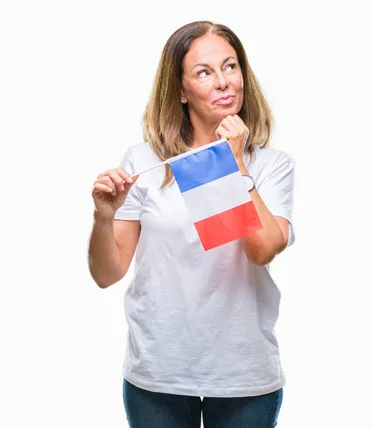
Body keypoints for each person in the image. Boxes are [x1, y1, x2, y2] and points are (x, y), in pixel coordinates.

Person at [87, 20, 295, 428]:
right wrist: (103, 216)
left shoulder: (272, 166)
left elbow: (261, 250)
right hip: (159, 370)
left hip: (243, 373)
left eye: (230, 66)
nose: (223, 82)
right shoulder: (143, 162)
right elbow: (106, 274)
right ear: (181, 90)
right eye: (204, 72)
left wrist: (232, 164)